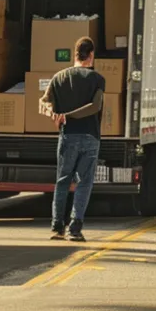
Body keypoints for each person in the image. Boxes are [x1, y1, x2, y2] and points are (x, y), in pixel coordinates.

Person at [42, 37, 105, 242]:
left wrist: (54, 113)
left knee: (62, 181)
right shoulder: (97, 79)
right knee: (84, 183)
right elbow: (95, 107)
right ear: (92, 55)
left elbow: (43, 101)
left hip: (67, 136)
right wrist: (69, 114)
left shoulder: (59, 77)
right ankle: (75, 227)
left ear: (74, 54)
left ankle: (57, 226)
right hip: (90, 136)